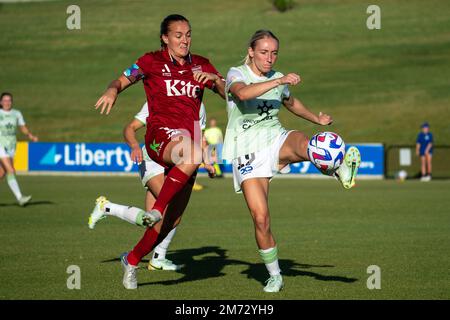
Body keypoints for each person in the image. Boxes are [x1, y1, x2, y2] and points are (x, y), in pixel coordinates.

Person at [222, 30, 361, 292]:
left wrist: (315, 119)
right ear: (251, 52)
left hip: (275, 138)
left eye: (274, 53)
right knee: (261, 219)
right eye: (264, 52)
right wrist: (279, 81)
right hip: (247, 151)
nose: (270, 58)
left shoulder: (278, 78)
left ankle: (339, 167)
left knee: (306, 143)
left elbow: (291, 101)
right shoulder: (236, 73)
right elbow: (242, 94)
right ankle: (275, 275)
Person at [94, 14, 225, 289]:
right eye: (178, 35)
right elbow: (121, 80)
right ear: (165, 38)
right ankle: (155, 210)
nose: (185, 40)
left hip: (186, 147)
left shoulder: (201, 64)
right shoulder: (150, 61)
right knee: (189, 156)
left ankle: (131, 260)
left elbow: (228, 93)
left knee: (169, 223)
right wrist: (111, 90)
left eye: (188, 34)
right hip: (159, 138)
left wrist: (215, 78)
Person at [88, 102, 209, 271]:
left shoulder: (199, 105)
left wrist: (207, 160)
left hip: (174, 162)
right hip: (153, 158)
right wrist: (134, 146)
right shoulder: (159, 96)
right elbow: (130, 127)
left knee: (156, 221)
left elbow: (198, 137)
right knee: (168, 208)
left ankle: (107, 207)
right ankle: (154, 257)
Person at [0, 92, 38, 206]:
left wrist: (30, 136)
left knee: (2, 173)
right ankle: (20, 198)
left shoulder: (16, 114)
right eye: (5, 100)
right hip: (0, 145)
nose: (7, 102)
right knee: (11, 170)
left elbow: (22, 127)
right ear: (1, 102)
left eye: (9, 100)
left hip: (11, 145)